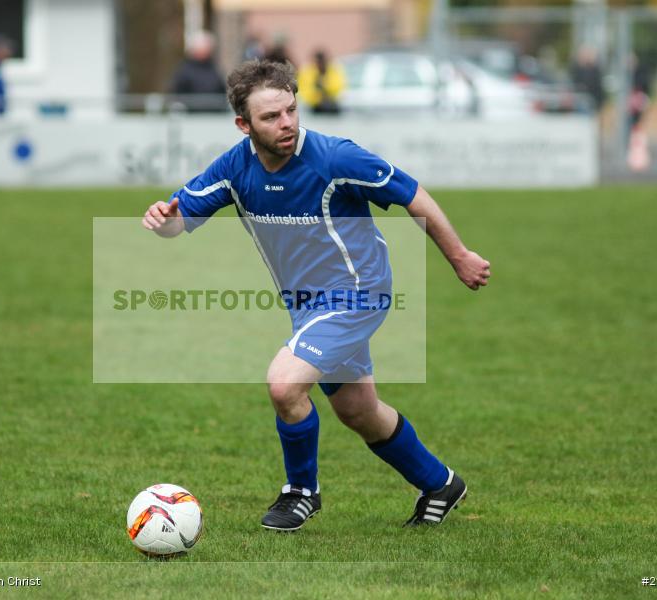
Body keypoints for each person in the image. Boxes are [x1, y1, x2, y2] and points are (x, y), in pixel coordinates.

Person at [142, 61, 491, 531]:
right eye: (270, 117)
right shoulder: (234, 167)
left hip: (357, 293)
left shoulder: (335, 157)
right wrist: (164, 220)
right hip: (307, 306)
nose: (286, 123)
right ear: (243, 125)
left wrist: (459, 256)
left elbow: (413, 195)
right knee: (359, 411)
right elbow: (180, 218)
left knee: (285, 385)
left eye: (290, 110)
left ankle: (301, 491)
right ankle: (440, 483)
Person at [168, 30, 227, 112]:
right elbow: (177, 95)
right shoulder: (184, 71)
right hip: (192, 117)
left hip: (213, 116)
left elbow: (222, 90)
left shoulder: (213, 68)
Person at [297, 49, 347, 114]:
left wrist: (324, 85)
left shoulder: (334, 70)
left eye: (322, 62)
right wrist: (317, 97)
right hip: (313, 106)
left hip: (332, 104)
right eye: (318, 62)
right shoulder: (308, 71)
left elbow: (338, 87)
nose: (320, 64)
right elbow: (304, 90)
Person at [570, 46, 605, 114]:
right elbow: (575, 83)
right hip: (581, 99)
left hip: (592, 100)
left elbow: (597, 86)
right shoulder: (577, 69)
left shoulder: (595, 70)